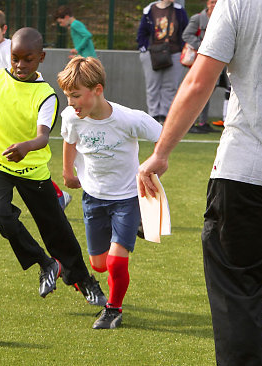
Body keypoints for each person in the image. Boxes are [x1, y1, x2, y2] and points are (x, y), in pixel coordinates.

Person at [138, 0, 262, 364]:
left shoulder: (239, 4)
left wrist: (161, 152)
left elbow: (199, 81)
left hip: (244, 173)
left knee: (237, 292)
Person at [0, 27, 107, 307]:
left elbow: (43, 136)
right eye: (15, 58)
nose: (20, 65)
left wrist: (26, 147)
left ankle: (84, 281)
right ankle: (45, 263)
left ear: (41, 58)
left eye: (28, 59)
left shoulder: (46, 95)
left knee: (56, 230)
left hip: (31, 168)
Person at [57, 57, 162, 329]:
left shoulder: (129, 119)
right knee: (99, 265)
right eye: (68, 96)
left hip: (127, 198)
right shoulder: (72, 117)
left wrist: (155, 164)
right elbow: (69, 140)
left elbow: (163, 136)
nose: (71, 103)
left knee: (116, 262)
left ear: (98, 90)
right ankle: (128, 234)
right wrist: (68, 172)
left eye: (76, 96)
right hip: (93, 197)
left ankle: (113, 309)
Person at [0, 3, 72, 214]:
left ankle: (56, 195)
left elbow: (24, 66)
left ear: (4, 30)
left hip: (12, 104)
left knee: (17, 160)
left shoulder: (9, 48)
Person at [136, 0, 188, 124]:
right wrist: (143, 48)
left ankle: (165, 115)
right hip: (153, 53)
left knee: (170, 86)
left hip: (174, 53)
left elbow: (185, 31)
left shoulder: (179, 10)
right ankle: (153, 115)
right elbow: (142, 32)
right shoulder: (149, 9)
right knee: (153, 85)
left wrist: (183, 49)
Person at [182, 0, 217, 134]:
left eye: (217, 2)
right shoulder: (197, 18)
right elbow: (186, 35)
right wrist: (203, 47)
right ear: (207, 4)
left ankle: (203, 122)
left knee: (209, 92)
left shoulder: (223, 17)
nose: (214, 5)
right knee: (198, 91)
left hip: (216, 60)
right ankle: (191, 123)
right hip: (199, 60)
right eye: (212, 2)